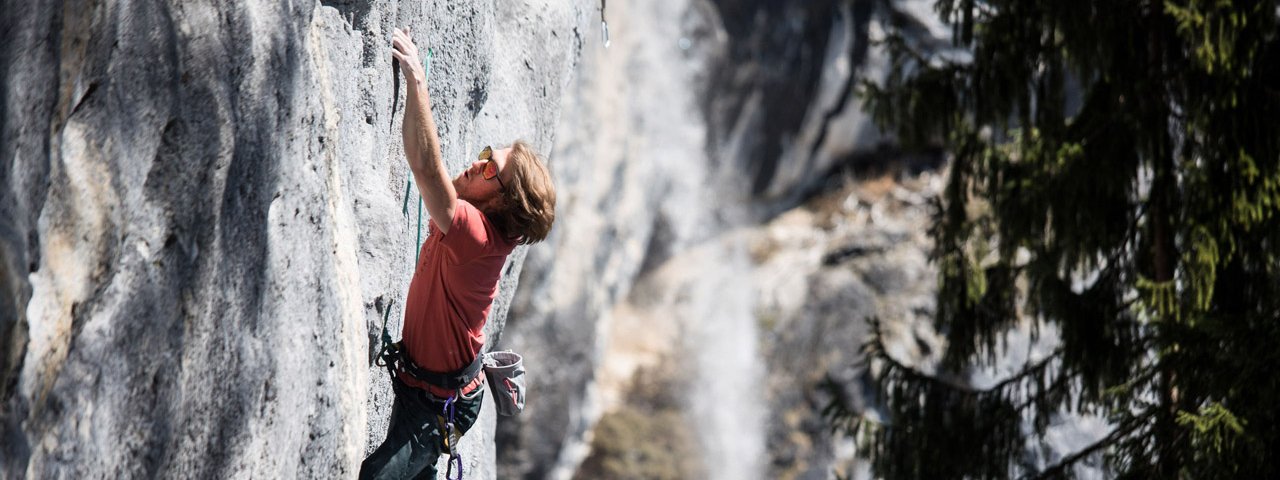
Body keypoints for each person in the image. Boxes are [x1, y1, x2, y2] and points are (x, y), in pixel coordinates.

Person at [361, 26, 556, 480]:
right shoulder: (476, 226)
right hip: (432, 390)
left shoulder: (478, 238)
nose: (476, 160)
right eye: (488, 152)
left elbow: (428, 172)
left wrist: (416, 79)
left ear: (502, 202)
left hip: (437, 403)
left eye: (490, 167)